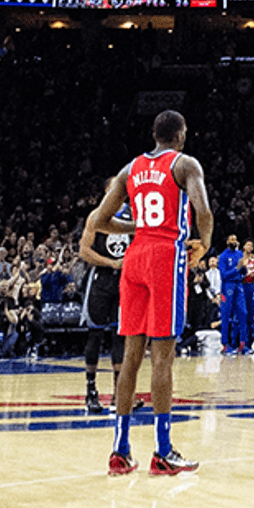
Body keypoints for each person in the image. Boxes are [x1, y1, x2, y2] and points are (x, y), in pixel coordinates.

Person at [91, 110, 213, 477]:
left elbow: (99, 221)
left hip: (135, 257)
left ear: (154, 134)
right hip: (164, 257)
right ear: (180, 135)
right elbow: (204, 211)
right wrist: (205, 243)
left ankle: (120, 451)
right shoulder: (185, 164)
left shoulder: (130, 169)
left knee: (131, 356)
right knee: (163, 358)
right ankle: (162, 451)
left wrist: (137, 226)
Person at [78, 179, 132, 414]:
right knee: (95, 334)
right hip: (101, 279)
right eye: (114, 189)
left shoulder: (133, 217)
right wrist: (111, 262)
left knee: (121, 336)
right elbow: (84, 251)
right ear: (106, 192)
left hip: (125, 282)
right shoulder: (96, 216)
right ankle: (91, 391)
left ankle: (119, 394)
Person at [217, 235, 248, 354]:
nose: (234, 241)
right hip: (227, 285)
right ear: (227, 242)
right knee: (226, 314)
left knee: (243, 313)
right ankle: (225, 344)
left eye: (235, 239)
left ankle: (243, 343)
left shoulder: (240, 254)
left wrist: (244, 267)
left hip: (239, 284)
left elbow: (243, 271)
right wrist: (237, 268)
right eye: (231, 239)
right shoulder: (223, 256)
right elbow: (223, 275)